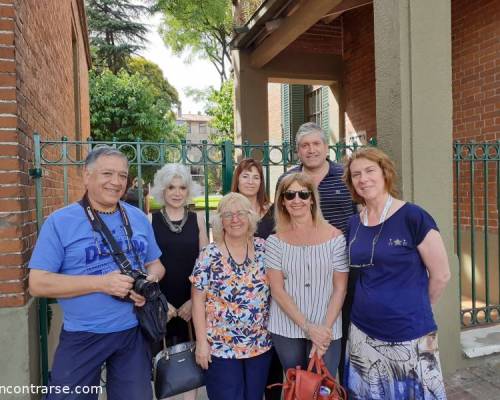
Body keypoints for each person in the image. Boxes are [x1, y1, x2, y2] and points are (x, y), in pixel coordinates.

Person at [28, 147, 165, 400]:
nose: (116, 182)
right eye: (107, 173)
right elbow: (37, 284)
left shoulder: (137, 217)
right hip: (83, 335)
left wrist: (148, 281)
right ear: (86, 176)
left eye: (122, 176)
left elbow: (156, 265)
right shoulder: (60, 222)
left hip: (134, 333)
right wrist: (102, 283)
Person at [342, 147, 451, 399]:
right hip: (362, 332)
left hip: (408, 333)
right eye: (356, 174)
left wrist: (418, 305)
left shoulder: (413, 216)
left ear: (385, 173)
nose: (363, 179)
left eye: (370, 170)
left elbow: (441, 274)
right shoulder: (354, 223)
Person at [278, 121, 357, 380]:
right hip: (299, 271)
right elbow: (279, 219)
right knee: (296, 357)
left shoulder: (345, 176)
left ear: (326, 147)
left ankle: (336, 390)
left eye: (316, 144)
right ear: (297, 151)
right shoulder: (288, 180)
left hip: (342, 270)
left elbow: (359, 216)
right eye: (304, 145)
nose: (311, 150)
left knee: (340, 338)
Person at [266, 172, 349, 377]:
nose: (297, 200)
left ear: (312, 199)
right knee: (298, 388)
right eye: (290, 195)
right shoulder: (274, 242)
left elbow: (340, 288)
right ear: (282, 202)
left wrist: (322, 332)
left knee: (323, 388)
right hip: (286, 327)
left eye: (303, 194)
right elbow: (277, 290)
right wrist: (308, 327)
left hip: (327, 326)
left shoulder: (335, 237)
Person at [191, 192, 272, 400]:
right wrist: (201, 343)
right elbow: (198, 301)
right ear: (220, 221)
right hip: (220, 347)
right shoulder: (208, 254)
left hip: (259, 345)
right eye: (228, 215)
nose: (235, 220)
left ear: (250, 217)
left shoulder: (265, 248)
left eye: (241, 213)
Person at [150, 163, 209, 400]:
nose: (176, 192)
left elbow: (205, 265)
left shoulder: (199, 220)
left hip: (191, 300)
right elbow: (147, 265)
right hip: (160, 302)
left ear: (188, 190)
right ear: (162, 190)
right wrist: (162, 304)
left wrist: (191, 302)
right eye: (171, 187)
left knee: (191, 354)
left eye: (182, 187)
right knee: (159, 358)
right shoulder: (149, 220)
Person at [231, 158, 282, 400]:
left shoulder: (273, 211)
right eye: (245, 175)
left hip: (273, 290)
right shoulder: (228, 208)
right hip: (240, 298)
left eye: (256, 177)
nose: (250, 181)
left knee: (271, 354)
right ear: (237, 179)